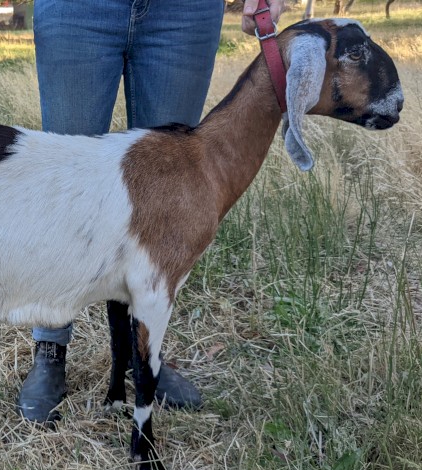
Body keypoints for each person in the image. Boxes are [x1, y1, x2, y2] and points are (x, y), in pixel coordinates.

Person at [17, 0, 284, 424]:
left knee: (167, 199)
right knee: (65, 190)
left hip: (183, 12)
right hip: (78, 10)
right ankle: (51, 346)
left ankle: (143, 356)